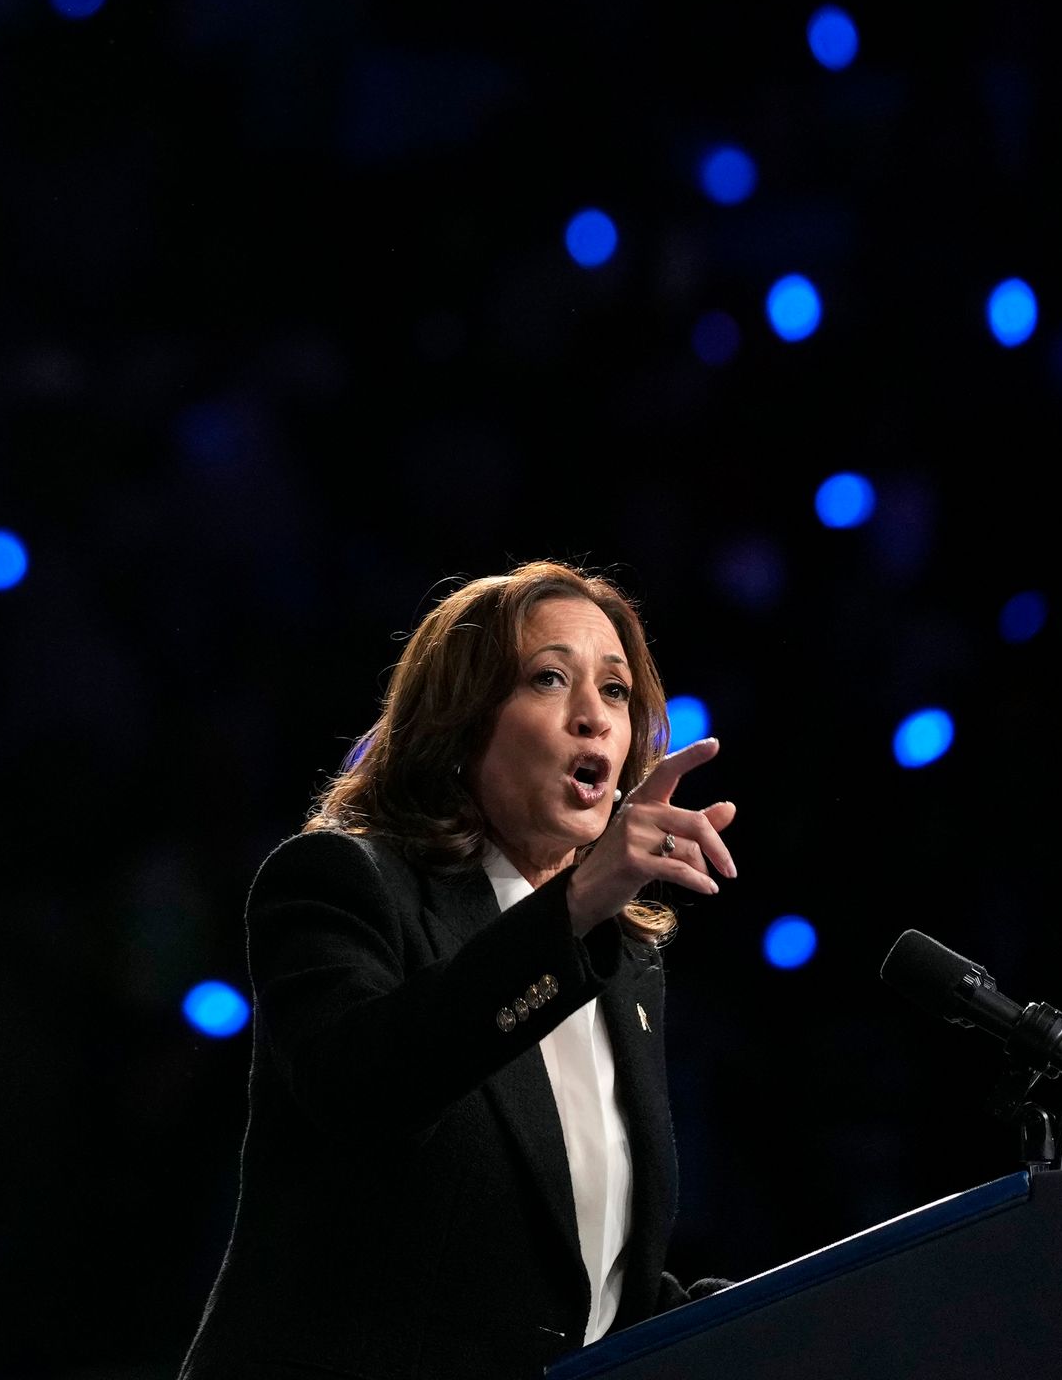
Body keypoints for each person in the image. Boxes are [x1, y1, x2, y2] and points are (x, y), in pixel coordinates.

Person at [181, 561, 744, 1380]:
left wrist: (781, 1316)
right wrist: (574, 910)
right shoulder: (338, 884)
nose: (594, 717)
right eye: (549, 679)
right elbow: (370, 1088)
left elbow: (571, 1277)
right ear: (461, 722)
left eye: (616, 692)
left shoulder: (622, 962)